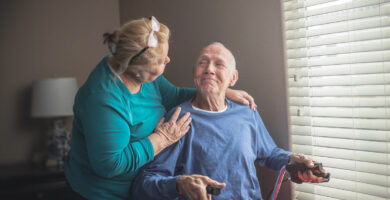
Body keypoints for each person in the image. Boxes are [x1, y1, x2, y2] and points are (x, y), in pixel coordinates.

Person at [64, 17, 256, 200]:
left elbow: (173, 95)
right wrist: (161, 139)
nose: (167, 60)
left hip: (143, 186)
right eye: (161, 60)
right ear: (136, 68)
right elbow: (110, 164)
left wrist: (219, 91)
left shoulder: (136, 68)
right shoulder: (102, 99)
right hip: (103, 194)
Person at [131, 42, 327, 200]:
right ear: (194, 74)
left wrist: (293, 160)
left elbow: (269, 153)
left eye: (219, 64)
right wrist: (180, 184)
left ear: (233, 78)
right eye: (202, 63)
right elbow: (145, 184)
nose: (209, 69)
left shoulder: (246, 112)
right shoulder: (179, 118)